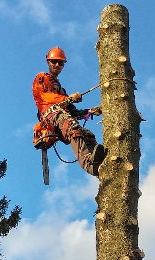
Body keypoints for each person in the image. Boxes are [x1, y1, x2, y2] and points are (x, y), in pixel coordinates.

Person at [32, 46, 105, 176]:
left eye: (60, 63)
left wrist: (90, 111)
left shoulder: (61, 90)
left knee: (87, 134)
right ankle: (89, 164)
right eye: (54, 62)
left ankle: (98, 160)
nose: (57, 65)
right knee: (72, 126)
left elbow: (73, 112)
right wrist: (68, 98)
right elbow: (44, 96)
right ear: (48, 62)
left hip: (62, 115)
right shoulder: (42, 77)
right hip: (51, 115)